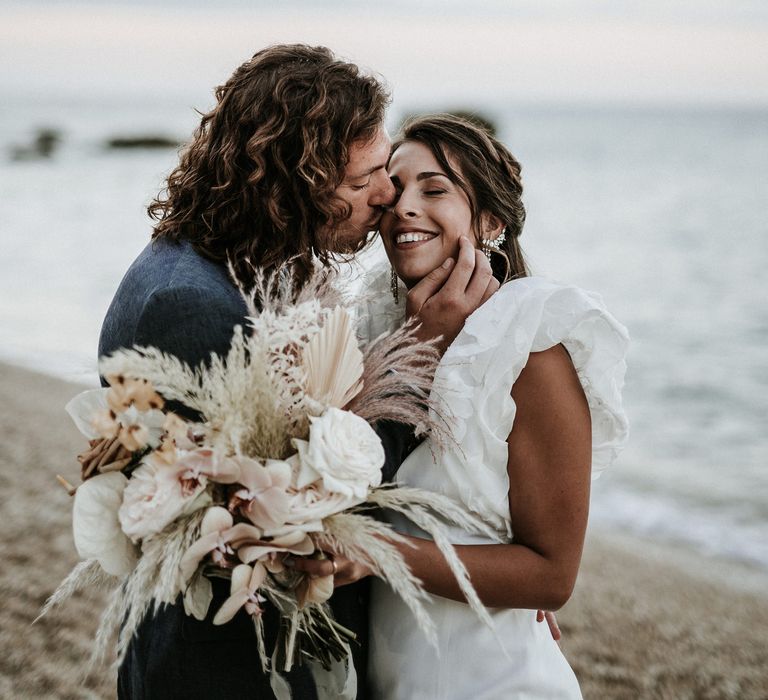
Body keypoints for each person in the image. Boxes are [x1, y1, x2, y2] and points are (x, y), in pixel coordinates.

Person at [98, 48, 498, 699]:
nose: (388, 195)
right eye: (362, 179)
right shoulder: (191, 305)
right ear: (291, 183)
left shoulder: (239, 267)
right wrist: (422, 347)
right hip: (224, 668)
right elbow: (300, 515)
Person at [294, 114, 629, 698]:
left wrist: (380, 552)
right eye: (395, 190)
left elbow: (551, 576)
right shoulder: (374, 333)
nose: (404, 206)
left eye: (435, 189)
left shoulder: (534, 349)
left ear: (491, 219)